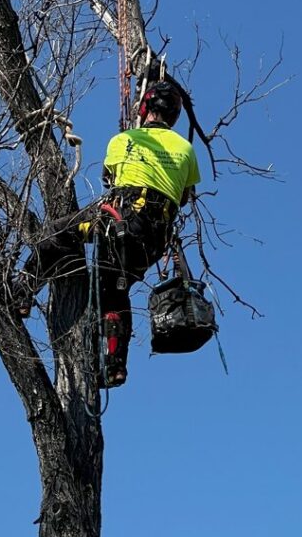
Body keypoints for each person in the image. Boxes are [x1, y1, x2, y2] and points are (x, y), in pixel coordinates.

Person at [13, 81, 200, 386]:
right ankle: (114, 366)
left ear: (144, 109)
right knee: (115, 291)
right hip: (153, 241)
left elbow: (108, 179)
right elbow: (182, 197)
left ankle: (22, 292)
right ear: (176, 115)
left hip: (122, 222)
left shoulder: (123, 140)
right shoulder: (187, 150)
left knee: (55, 233)